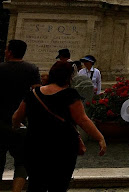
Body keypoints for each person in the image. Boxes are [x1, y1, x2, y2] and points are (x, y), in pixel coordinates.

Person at [12, 61, 106, 191]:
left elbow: (17, 117)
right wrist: (99, 137)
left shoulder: (33, 94)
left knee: (36, 184)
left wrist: (18, 126)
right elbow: (83, 120)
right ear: (69, 77)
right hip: (62, 148)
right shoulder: (70, 95)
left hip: (35, 146)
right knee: (58, 186)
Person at [0, 40, 40, 192]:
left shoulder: (0, 68)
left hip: (0, 120)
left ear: (10, 52)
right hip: (21, 121)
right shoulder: (31, 69)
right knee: (22, 161)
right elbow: (36, 94)